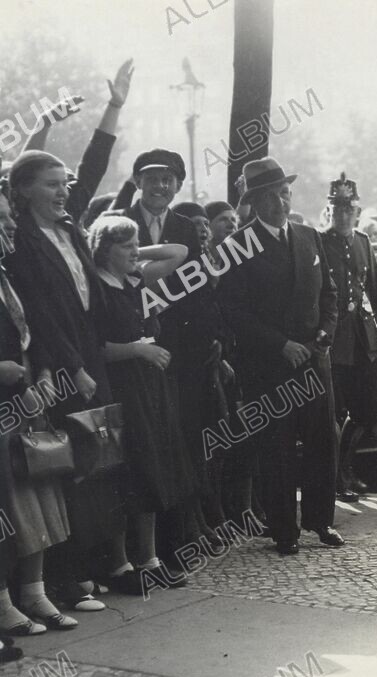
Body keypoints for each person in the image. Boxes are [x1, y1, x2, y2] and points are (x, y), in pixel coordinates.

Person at [7, 64, 135, 613]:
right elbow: (42, 312)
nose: (65, 191)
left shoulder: (67, 225)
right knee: (56, 467)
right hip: (56, 366)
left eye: (66, 186)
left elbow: (94, 163)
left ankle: (88, 568)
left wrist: (114, 107)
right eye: (53, 185)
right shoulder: (24, 238)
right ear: (24, 194)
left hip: (89, 357)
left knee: (94, 460)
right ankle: (60, 581)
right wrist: (40, 127)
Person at [217, 158, 343, 556]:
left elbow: (330, 295)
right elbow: (233, 311)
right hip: (269, 364)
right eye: (269, 195)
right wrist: (279, 345)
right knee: (278, 446)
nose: (280, 202)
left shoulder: (309, 237)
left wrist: (325, 334)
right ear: (254, 201)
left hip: (314, 360)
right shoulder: (239, 245)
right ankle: (283, 529)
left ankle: (321, 521)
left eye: (284, 192)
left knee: (323, 439)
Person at [88, 215, 195, 593]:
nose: (136, 253)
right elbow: (94, 350)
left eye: (136, 246)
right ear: (104, 252)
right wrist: (136, 351)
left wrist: (133, 247)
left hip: (149, 387)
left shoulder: (133, 280)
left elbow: (178, 252)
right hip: (120, 389)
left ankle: (149, 559)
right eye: (126, 247)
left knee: (153, 469)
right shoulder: (96, 288)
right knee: (123, 475)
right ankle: (119, 564)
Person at [126, 149, 222, 551]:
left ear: (177, 185)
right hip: (133, 348)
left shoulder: (184, 227)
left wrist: (203, 346)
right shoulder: (119, 222)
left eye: (168, 179)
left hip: (180, 349)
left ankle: (183, 531)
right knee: (142, 443)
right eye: (152, 179)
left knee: (183, 437)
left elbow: (198, 289)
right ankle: (142, 546)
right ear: (138, 183)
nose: (160, 186)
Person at [1, 180, 74, 637]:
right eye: (2, 221)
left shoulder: (8, 277)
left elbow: (31, 337)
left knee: (35, 497)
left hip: (27, 405)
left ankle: (34, 592)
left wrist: (44, 374)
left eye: (9, 217)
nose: (11, 226)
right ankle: (4, 601)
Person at [321, 174, 377, 502]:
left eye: (348, 209)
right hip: (333, 341)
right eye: (336, 209)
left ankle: (346, 466)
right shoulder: (319, 241)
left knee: (368, 409)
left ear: (357, 211)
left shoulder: (364, 242)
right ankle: (338, 476)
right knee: (335, 412)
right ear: (330, 211)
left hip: (362, 337)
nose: (342, 215)